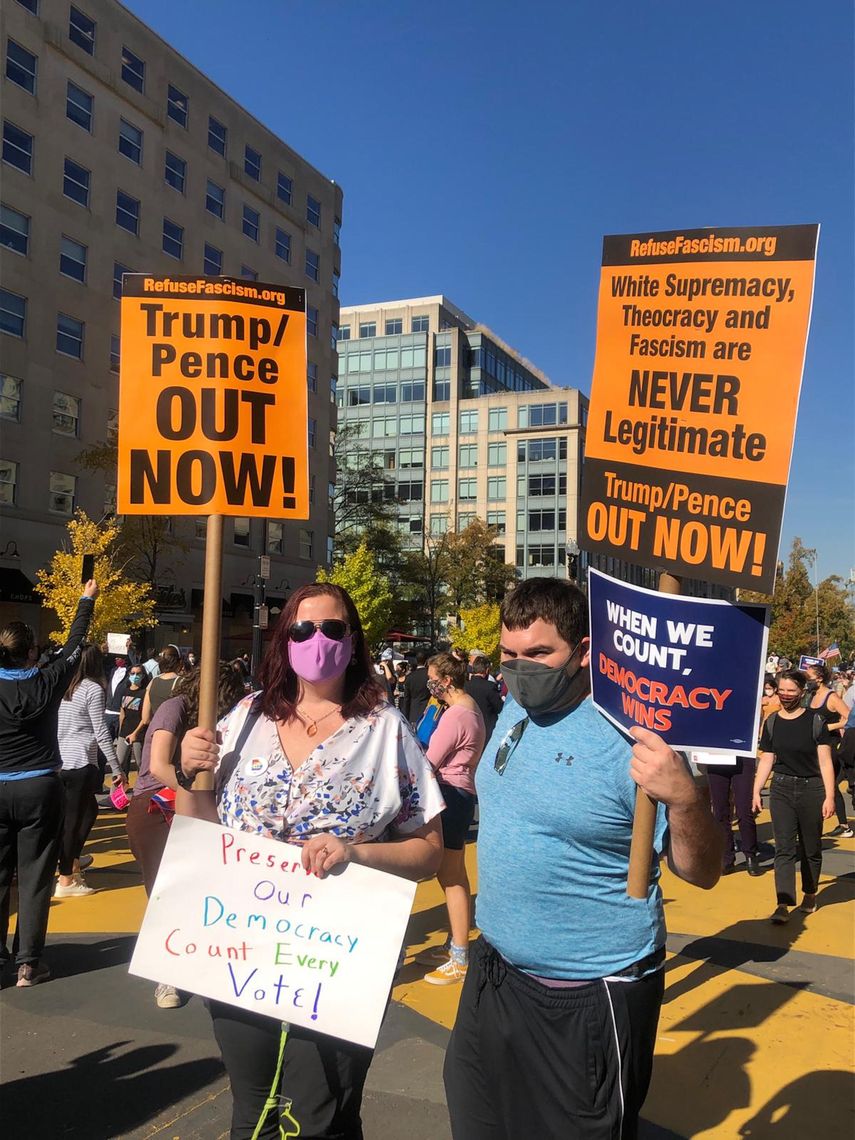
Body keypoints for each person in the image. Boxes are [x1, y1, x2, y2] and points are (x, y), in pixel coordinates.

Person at [443, 577, 722, 1139]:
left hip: (586, 997)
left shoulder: (639, 737)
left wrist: (685, 796)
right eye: (510, 655)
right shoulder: (514, 714)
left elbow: (703, 870)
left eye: (540, 653)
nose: (521, 668)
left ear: (586, 653)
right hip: (493, 978)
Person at [177, 583, 445, 1139]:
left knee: (319, 1115)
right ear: (284, 639)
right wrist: (187, 775)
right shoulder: (244, 719)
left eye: (332, 628)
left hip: (338, 955)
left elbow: (429, 853)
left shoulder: (386, 729)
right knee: (253, 1112)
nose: (316, 640)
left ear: (352, 640)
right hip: (241, 943)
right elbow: (199, 826)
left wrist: (357, 852)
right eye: (302, 629)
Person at [128, 662, 246, 1008]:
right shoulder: (173, 707)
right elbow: (157, 765)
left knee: (203, 889)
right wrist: (189, 786)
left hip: (197, 803)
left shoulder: (225, 719)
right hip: (155, 805)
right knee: (165, 891)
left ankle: (197, 958)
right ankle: (168, 975)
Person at [0, 581, 99, 987]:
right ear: (31, 652)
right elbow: (75, 645)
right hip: (40, 786)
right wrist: (85, 601)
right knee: (36, 874)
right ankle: (28, 962)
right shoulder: (46, 682)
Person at [415, 653, 485, 986]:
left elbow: (429, 760)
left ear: (445, 680)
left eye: (432, 679)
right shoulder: (470, 708)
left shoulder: (456, 715)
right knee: (453, 874)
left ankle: (459, 955)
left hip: (451, 795)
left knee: (452, 876)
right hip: (462, 793)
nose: (430, 685)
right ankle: (455, 942)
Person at [752, 670, 836, 923]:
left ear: (802, 691)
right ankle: (783, 903)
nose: (786, 695)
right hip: (781, 789)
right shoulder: (772, 722)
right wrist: (756, 790)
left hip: (812, 789)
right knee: (784, 848)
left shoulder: (815, 721)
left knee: (810, 847)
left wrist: (830, 796)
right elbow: (767, 758)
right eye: (782, 689)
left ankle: (810, 892)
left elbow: (825, 761)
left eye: (791, 690)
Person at [56, 646, 127, 898]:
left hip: (62, 760)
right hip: (82, 760)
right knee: (74, 821)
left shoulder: (65, 688)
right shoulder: (93, 689)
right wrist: (116, 767)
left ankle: (72, 860)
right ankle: (66, 878)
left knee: (86, 812)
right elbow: (100, 730)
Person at [804, 663, 852, 837]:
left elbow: (848, 717)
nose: (806, 681)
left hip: (830, 745)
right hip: (812, 745)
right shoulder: (809, 695)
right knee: (828, 785)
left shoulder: (831, 697)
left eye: (809, 678)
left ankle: (837, 825)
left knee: (823, 783)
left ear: (820, 678)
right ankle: (843, 824)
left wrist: (828, 727)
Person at [126, 647, 181, 751]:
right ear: (178, 662)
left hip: (154, 733)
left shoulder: (153, 682)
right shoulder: (181, 682)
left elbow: (145, 718)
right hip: (174, 736)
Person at [116, 665, 150, 776]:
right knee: (119, 763)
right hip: (125, 731)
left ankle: (141, 789)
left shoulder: (144, 693)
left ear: (143, 676)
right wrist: (120, 732)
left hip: (139, 733)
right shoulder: (124, 691)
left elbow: (145, 718)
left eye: (138, 673)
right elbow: (122, 713)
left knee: (140, 763)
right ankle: (116, 792)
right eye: (132, 673)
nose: (135, 676)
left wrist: (135, 733)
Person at [464, 654, 503, 743]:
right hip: (486, 727)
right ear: (487, 670)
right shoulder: (490, 686)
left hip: (468, 725)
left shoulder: (465, 685)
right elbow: (498, 708)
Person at [400, 648, 430, 727]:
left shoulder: (410, 677)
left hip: (413, 712)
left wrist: (405, 716)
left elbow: (407, 699)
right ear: (427, 661)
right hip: (427, 710)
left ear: (416, 661)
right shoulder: (430, 676)